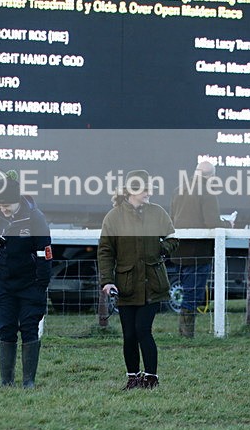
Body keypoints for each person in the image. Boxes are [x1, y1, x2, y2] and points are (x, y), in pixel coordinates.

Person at [99, 169, 177, 390]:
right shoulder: (113, 217)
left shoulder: (157, 212)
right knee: (129, 334)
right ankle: (133, 378)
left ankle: (151, 378)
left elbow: (172, 238)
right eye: (145, 189)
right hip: (126, 286)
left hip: (152, 284)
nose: (149, 193)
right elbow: (105, 251)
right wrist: (107, 281)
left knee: (143, 330)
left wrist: (161, 248)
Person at [0, 170, 52, 388]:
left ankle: (28, 380)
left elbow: (44, 251)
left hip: (31, 285)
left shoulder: (35, 218)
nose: (3, 209)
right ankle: (6, 380)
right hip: (3, 286)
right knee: (6, 328)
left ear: (18, 201)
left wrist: (41, 283)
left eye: (7, 206)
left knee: (29, 328)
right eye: (0, 205)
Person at [170, 161, 231, 338]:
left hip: (179, 250)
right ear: (211, 175)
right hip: (198, 253)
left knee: (185, 293)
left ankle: (184, 334)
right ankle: (186, 335)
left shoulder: (178, 190)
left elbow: (172, 218)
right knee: (192, 294)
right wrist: (228, 224)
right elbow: (212, 222)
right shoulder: (208, 192)